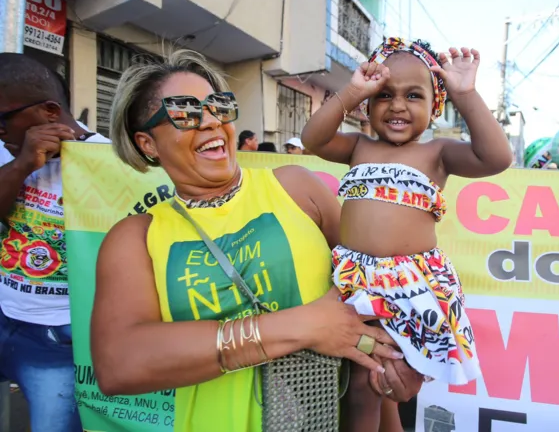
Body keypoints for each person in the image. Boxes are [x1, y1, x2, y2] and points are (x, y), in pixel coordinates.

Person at [92, 49, 421, 432]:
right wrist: (303, 325)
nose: (212, 122)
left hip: (329, 417)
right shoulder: (136, 237)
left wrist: (399, 373)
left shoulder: (296, 189)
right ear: (148, 143)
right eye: (185, 113)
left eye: (219, 107)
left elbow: (379, 287)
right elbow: (118, 364)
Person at [301, 37, 513, 428]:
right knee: (367, 381)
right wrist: (351, 90)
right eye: (384, 95)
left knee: (382, 381)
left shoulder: (438, 154)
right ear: (367, 105)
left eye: (413, 95)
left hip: (410, 287)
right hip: (355, 282)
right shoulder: (357, 146)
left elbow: (497, 157)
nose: (397, 105)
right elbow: (312, 139)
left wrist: (465, 94)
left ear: (435, 108)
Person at [0, 53, 110, 432]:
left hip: (60, 335)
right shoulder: (11, 153)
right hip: (5, 311)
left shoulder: (110, 162)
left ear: (49, 111)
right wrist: (22, 165)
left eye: (2, 120)